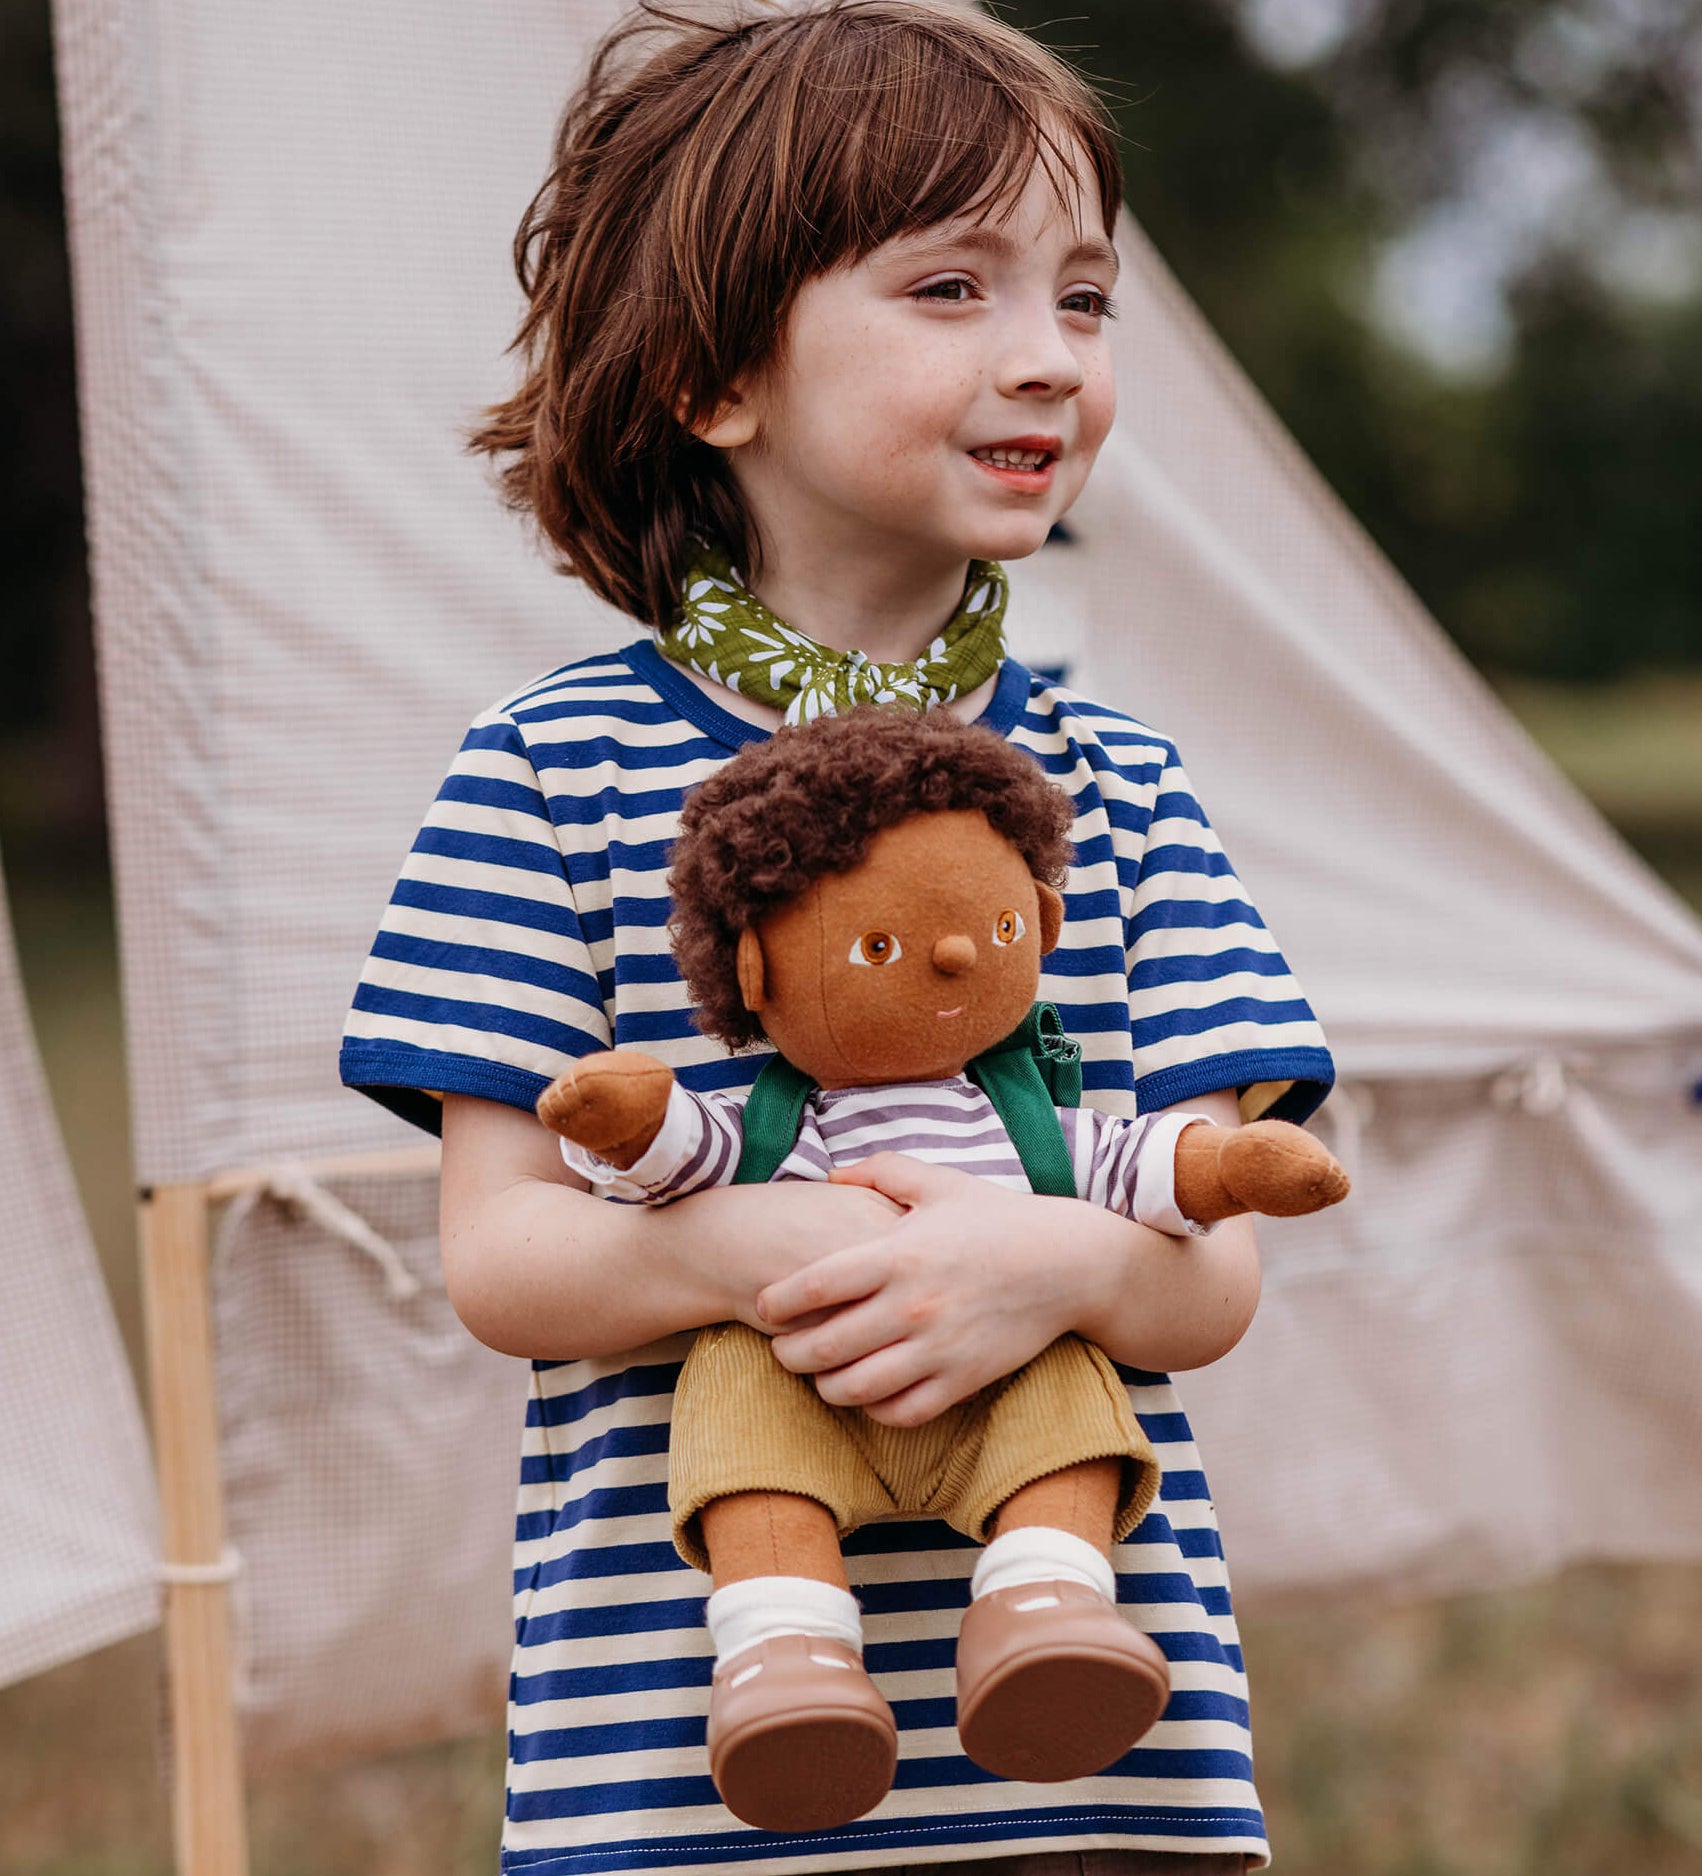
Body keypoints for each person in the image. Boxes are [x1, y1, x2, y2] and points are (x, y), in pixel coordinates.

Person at [340, 5, 1337, 1873]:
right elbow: (504, 1261)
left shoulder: (1118, 786)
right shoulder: (539, 773)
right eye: (952, 289)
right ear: (718, 376)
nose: (1047, 360)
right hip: (681, 1763)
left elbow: (1204, 1287)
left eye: (1084, 299)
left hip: (1093, 1768)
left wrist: (1037, 1260)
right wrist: (785, 1241)